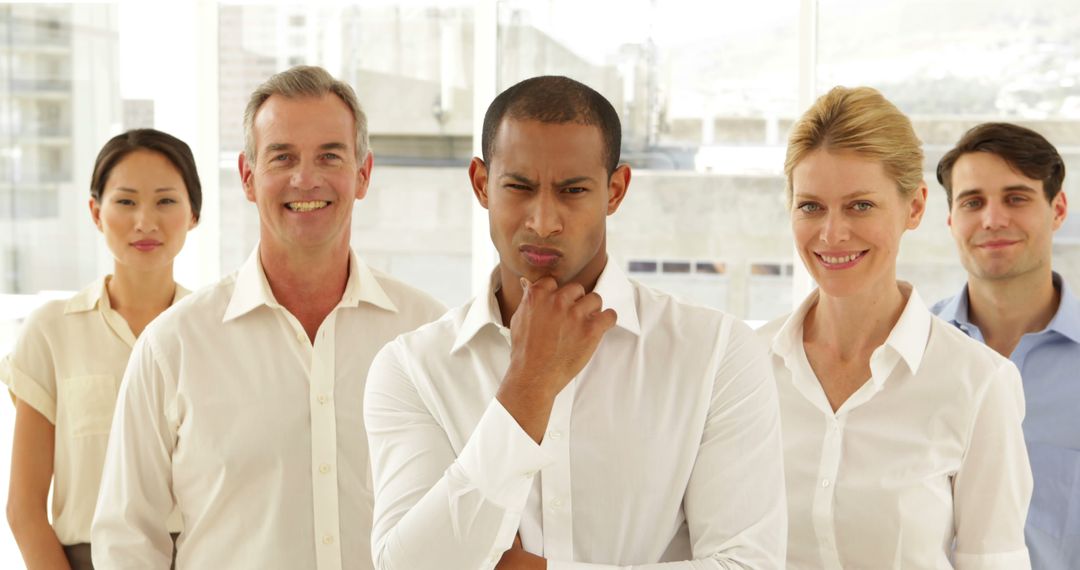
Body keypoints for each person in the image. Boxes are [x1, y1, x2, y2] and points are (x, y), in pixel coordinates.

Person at [364, 75, 786, 570]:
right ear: (481, 183)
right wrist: (528, 384)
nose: (543, 220)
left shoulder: (718, 353)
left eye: (572, 190)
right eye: (519, 187)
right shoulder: (412, 369)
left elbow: (748, 564)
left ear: (615, 190)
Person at [90, 66, 446, 569]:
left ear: (362, 174)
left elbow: (464, 520)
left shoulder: (427, 335)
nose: (307, 178)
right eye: (283, 157)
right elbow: (126, 540)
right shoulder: (174, 345)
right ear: (248, 178)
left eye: (330, 155)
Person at [757, 86, 1033, 569]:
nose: (832, 233)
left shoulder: (979, 383)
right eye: (811, 206)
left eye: (860, 205)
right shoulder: (744, 367)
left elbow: (994, 560)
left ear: (916, 207)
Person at [3, 128, 200, 569]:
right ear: (95, 211)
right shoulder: (51, 330)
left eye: (166, 201)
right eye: (126, 201)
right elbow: (23, 508)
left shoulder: (214, 334)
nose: (145, 222)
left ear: (194, 214)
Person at [932, 122, 1080, 570]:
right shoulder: (908, 354)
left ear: (1058, 210)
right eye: (973, 202)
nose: (993, 219)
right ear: (951, 220)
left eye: (1016, 198)